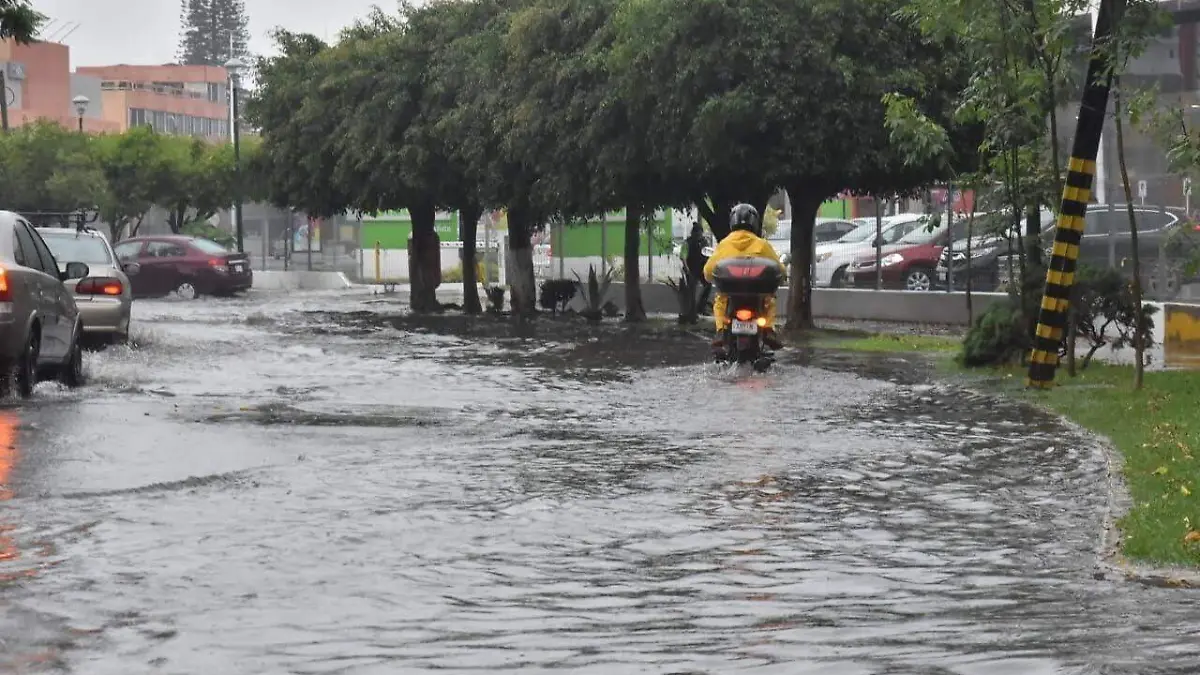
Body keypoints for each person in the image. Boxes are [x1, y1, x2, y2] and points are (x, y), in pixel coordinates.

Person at [703, 204, 783, 354]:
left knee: (720, 301)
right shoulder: (762, 244)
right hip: (756, 297)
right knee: (769, 301)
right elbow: (780, 270)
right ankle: (768, 330)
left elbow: (707, 271)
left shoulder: (724, 244)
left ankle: (720, 330)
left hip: (730, 297)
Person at [684, 222, 712, 318]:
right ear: (694, 232)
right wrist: (686, 268)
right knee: (692, 290)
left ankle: (701, 307)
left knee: (708, 285)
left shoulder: (704, 241)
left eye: (700, 233)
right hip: (691, 269)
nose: (699, 235)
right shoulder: (689, 242)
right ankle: (692, 312)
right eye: (697, 233)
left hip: (702, 269)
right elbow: (684, 256)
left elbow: (708, 254)